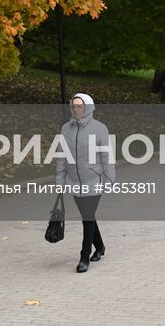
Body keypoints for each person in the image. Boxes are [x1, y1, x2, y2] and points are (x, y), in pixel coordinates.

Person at [56, 93, 115, 272]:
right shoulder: (66, 129)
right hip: (74, 180)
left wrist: (109, 179)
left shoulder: (100, 128)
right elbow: (62, 156)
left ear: (88, 107)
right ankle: (100, 246)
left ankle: (84, 256)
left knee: (87, 217)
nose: (76, 109)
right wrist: (60, 179)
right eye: (73, 106)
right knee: (88, 216)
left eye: (79, 106)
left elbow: (107, 156)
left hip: (93, 180)